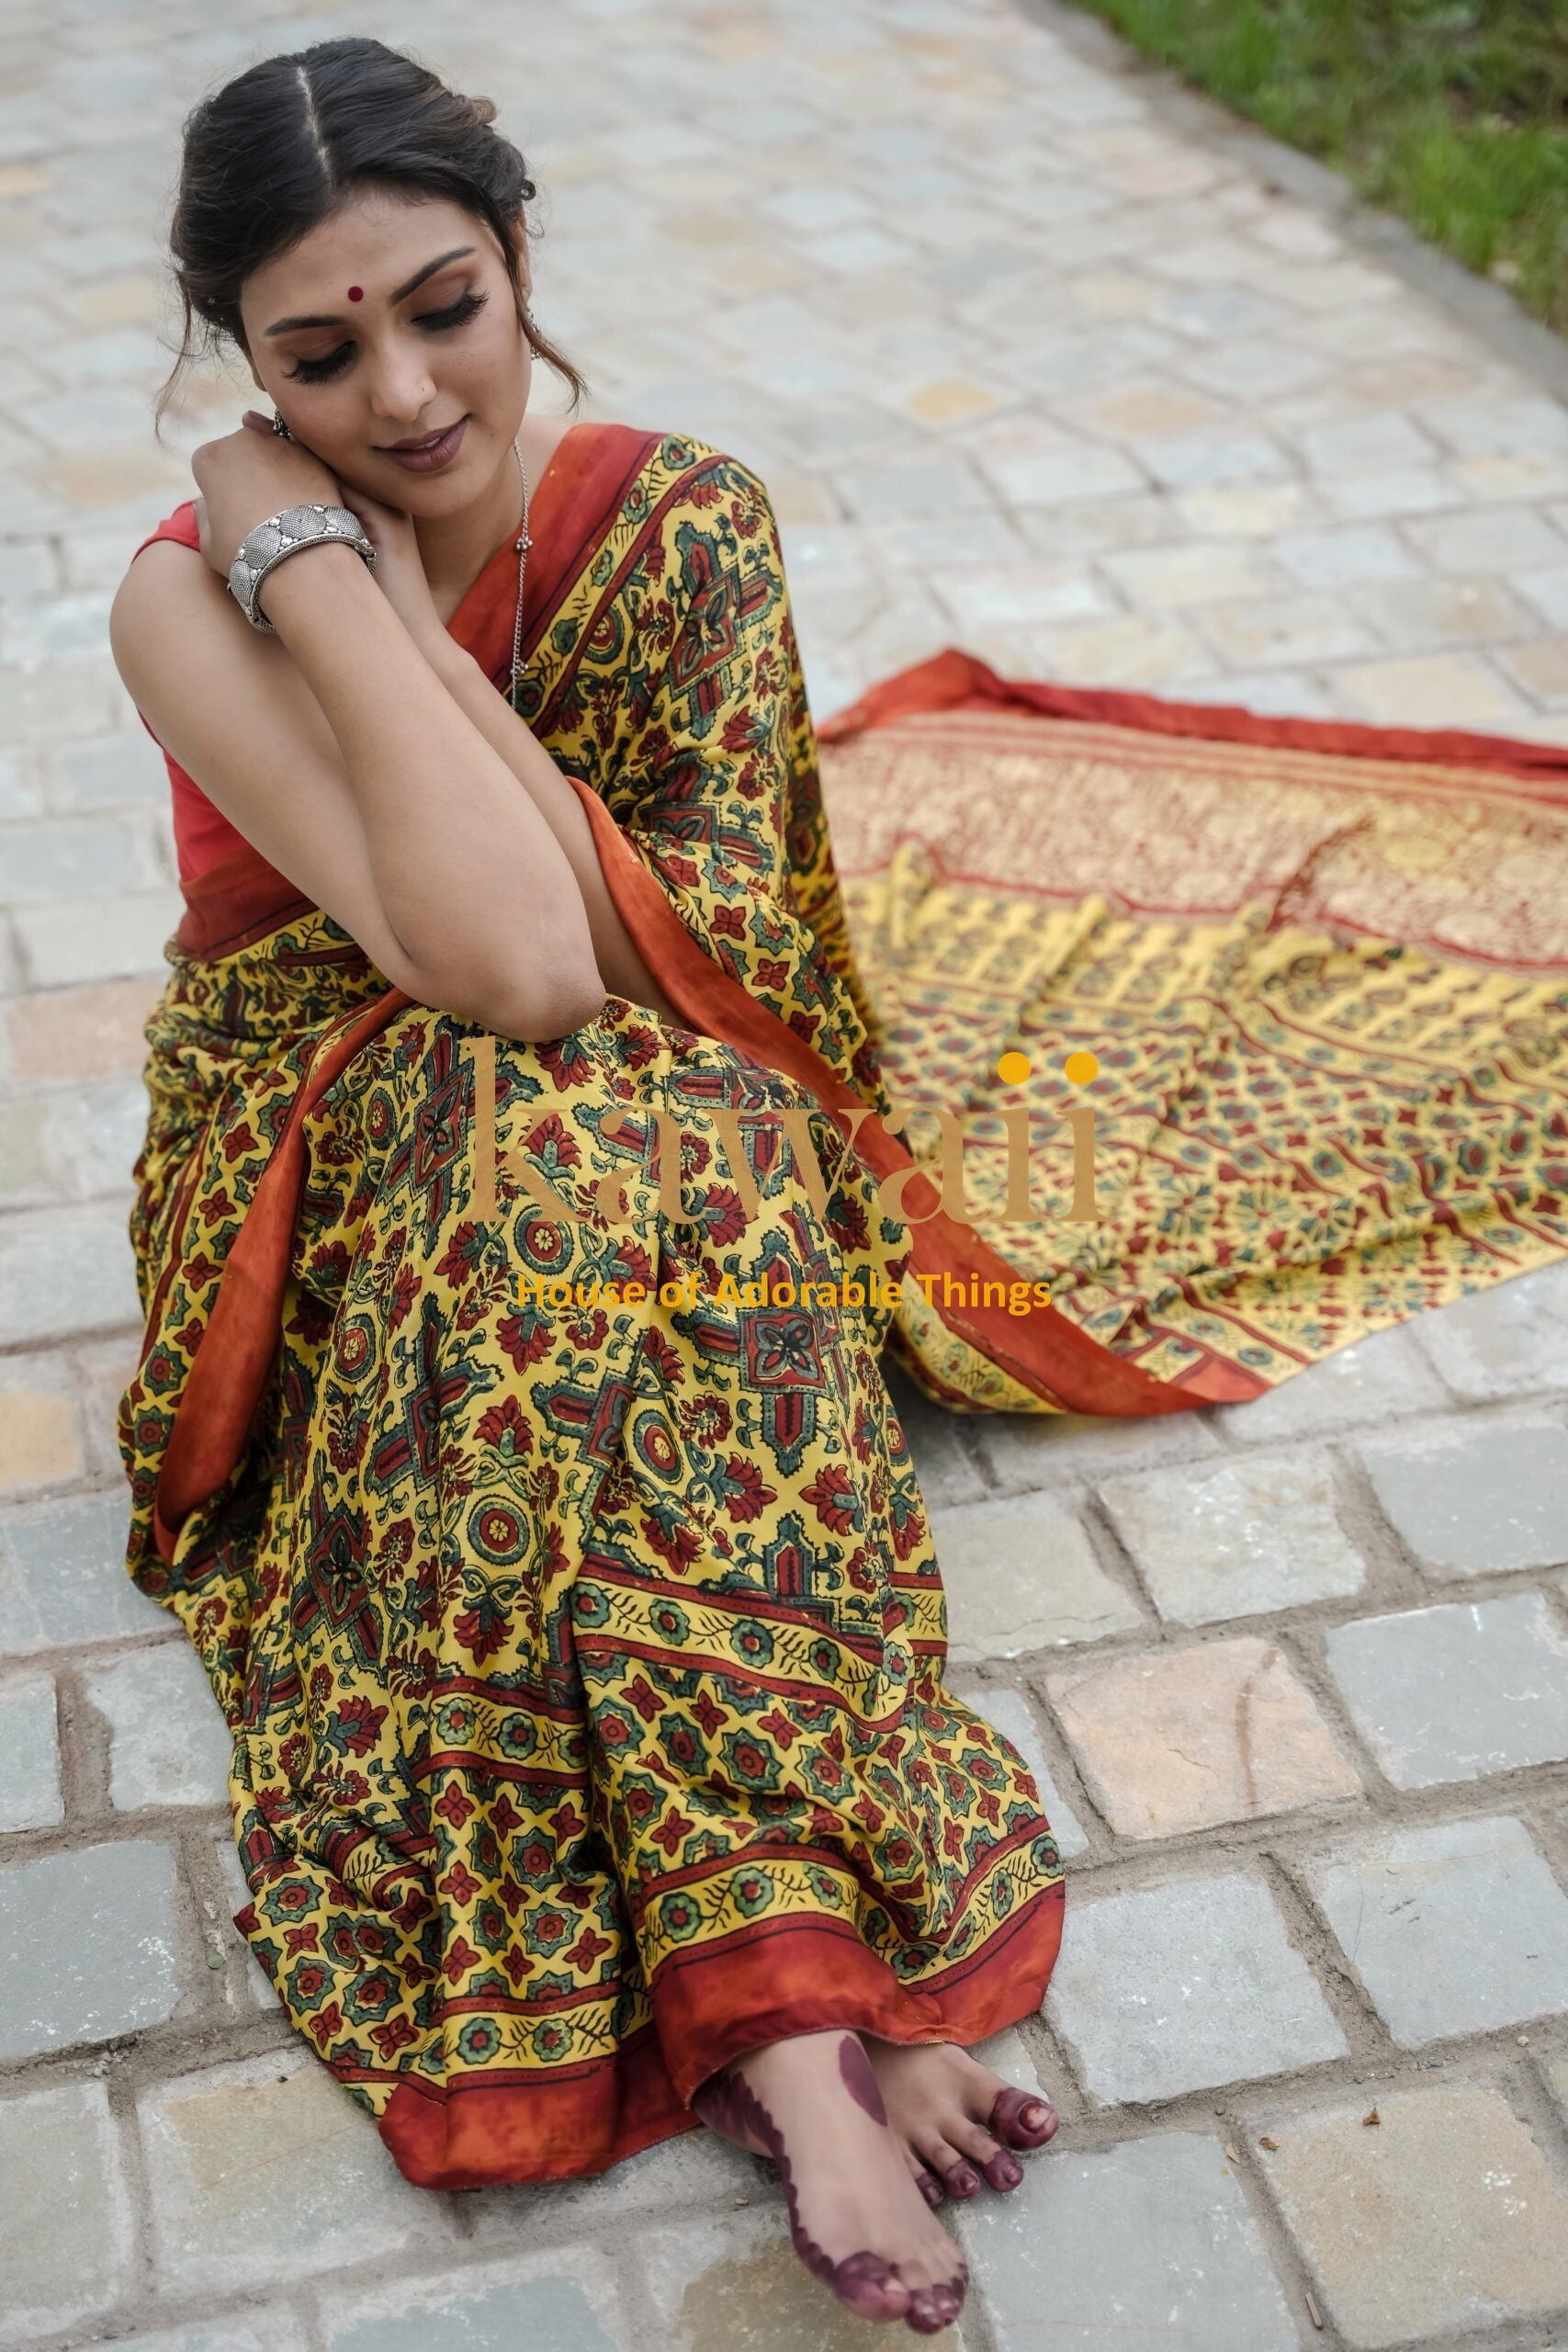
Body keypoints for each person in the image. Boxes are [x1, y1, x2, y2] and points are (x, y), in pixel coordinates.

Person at [109, 35, 1066, 2338]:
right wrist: (320, 579)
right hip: (320, 1086)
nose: (409, 391)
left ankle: (760, 2012)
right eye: (314, 357)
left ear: (522, 253)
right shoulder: (184, 599)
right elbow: (505, 963)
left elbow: (715, 969)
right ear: (234, 368)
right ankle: (799, 2010)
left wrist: (336, 548)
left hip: (670, 1069)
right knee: (552, 1179)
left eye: (444, 304)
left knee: (679, 1168)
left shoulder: (682, 520)